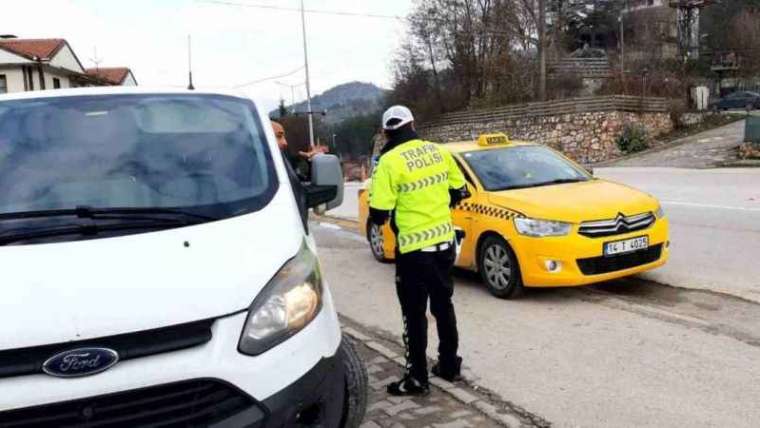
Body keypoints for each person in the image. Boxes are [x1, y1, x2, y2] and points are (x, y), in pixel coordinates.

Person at [369, 105, 470, 396]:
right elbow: (459, 191)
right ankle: (449, 366)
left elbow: (379, 213)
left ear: (387, 131)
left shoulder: (388, 162)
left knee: (414, 314)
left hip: (414, 250)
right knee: (443, 305)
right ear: (413, 124)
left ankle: (417, 378)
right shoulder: (439, 152)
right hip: (444, 244)